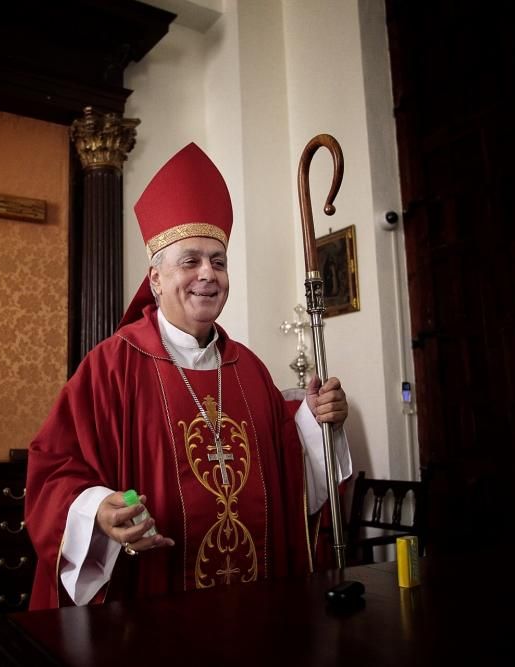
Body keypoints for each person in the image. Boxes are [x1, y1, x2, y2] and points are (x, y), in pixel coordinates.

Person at [25, 143, 351, 609]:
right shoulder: (111, 367)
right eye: (190, 261)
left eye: (218, 261)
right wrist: (97, 509)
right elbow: (53, 469)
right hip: (152, 607)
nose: (208, 275)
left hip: (251, 604)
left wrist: (317, 423)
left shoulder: (249, 369)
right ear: (155, 278)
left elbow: (285, 474)